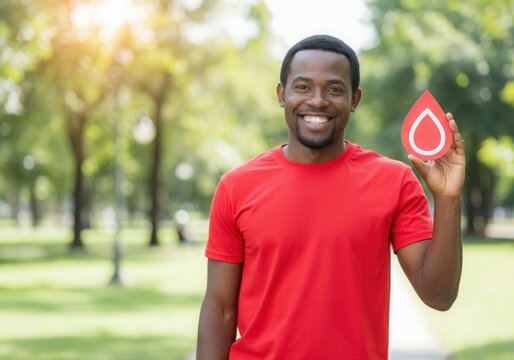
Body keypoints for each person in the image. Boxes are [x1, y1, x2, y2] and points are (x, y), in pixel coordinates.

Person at [196, 34, 465, 359]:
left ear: (355, 98)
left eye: (335, 89)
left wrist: (448, 198)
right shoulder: (236, 186)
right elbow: (220, 309)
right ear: (282, 94)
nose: (318, 100)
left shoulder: (394, 180)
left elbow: (438, 296)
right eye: (303, 86)